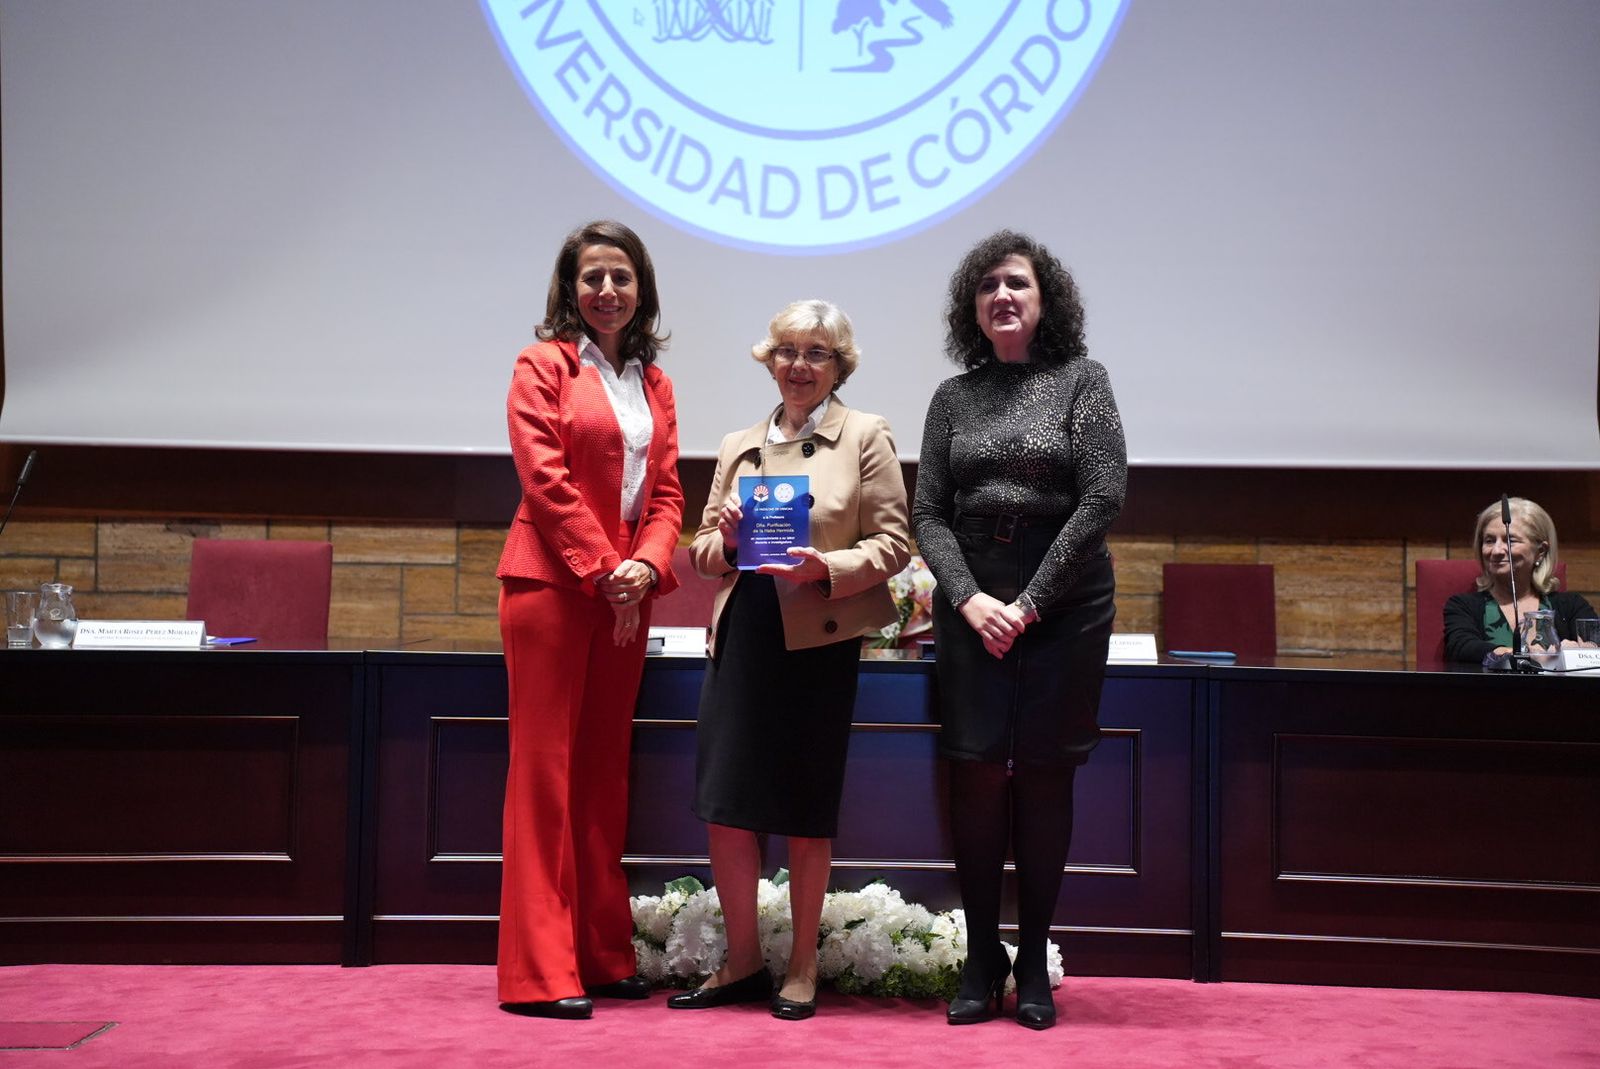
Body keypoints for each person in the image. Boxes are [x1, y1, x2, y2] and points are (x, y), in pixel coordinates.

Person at [668, 299, 911, 1021]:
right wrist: (734, 540)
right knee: (727, 803)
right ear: (768, 360)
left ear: (839, 365)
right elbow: (704, 550)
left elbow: (894, 544)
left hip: (818, 639)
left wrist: (825, 568)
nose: (798, 366)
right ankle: (743, 959)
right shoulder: (739, 442)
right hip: (745, 633)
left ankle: (801, 963)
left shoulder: (866, 435)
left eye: (815, 353)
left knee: (806, 806)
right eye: (786, 351)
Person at [912, 230, 1125, 1031]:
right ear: (973, 306)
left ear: (1046, 300)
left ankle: (1032, 955)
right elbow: (929, 512)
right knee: (972, 771)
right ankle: (980, 954)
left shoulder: (1082, 380)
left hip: (1065, 600)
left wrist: (1030, 601)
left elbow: (1102, 497)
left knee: (1042, 774)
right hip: (971, 597)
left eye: (1018, 283)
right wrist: (970, 598)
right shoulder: (952, 397)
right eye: (988, 285)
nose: (1002, 295)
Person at [495, 220, 684, 1020]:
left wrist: (647, 565)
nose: (607, 291)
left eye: (621, 277)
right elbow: (543, 479)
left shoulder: (655, 381)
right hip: (552, 588)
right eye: (591, 277)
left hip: (624, 599)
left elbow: (668, 492)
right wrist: (607, 570)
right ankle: (538, 970)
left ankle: (602, 952)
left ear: (642, 289)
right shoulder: (543, 365)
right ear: (568, 290)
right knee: (545, 774)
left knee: (604, 774)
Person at [1443, 497, 1597, 664]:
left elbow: (1595, 648)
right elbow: (1461, 647)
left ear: (1541, 551)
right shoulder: (1462, 605)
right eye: (1489, 541)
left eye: (1510, 540)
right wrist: (1531, 655)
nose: (1496, 550)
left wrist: (1580, 652)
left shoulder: (1572, 606)